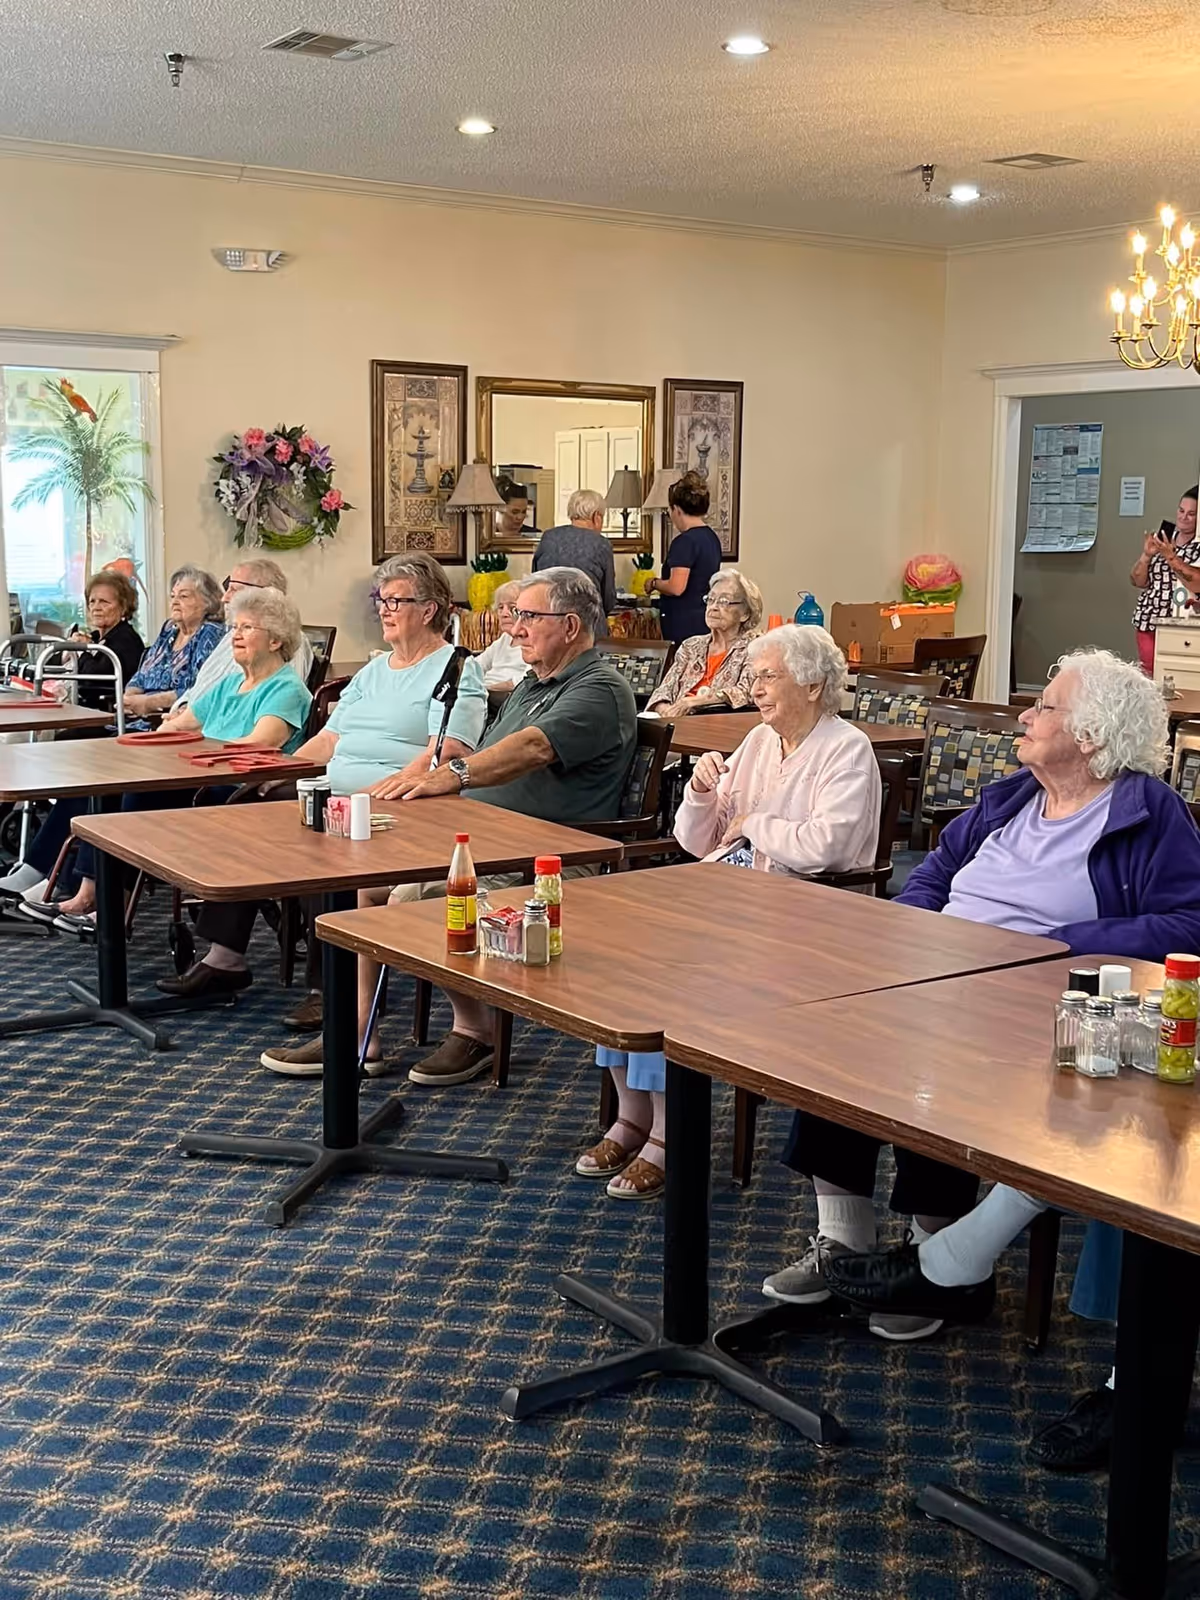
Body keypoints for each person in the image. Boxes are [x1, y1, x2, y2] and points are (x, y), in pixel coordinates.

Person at [764, 647, 1200, 1349]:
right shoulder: (1014, 795)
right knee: (836, 1035)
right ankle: (841, 1240)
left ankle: (943, 1263)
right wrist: (915, 931)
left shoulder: (1150, 812)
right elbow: (935, 869)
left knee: (942, 1061)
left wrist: (1065, 942)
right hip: (944, 970)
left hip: (1042, 997)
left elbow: (1190, 923)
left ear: (1090, 735)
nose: (1024, 716)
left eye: (1045, 706)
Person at [580, 624, 881, 1200]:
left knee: (667, 975)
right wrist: (699, 791)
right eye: (754, 676)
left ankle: (666, 1136)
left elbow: (830, 848)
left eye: (770, 676)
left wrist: (754, 825)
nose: (756, 688)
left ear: (814, 685)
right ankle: (631, 1115)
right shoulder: (761, 741)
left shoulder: (846, 749)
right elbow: (697, 841)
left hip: (804, 921)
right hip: (728, 901)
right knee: (617, 960)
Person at [373, 567, 637, 1087]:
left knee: (413, 901)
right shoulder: (532, 683)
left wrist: (450, 776)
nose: (514, 628)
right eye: (515, 615)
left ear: (570, 626)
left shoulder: (600, 688)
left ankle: (477, 1030)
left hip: (553, 860)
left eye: (528, 616)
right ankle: (357, 1024)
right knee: (367, 879)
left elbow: (533, 748)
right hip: (487, 837)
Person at [256, 554, 487, 1072]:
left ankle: (351, 1022)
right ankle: (327, 1003)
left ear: (429, 610)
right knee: (256, 812)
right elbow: (328, 739)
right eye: (380, 600)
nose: (384, 610)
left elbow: (446, 750)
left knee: (341, 867)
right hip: (338, 795)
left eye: (396, 600)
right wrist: (276, 770)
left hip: (402, 806)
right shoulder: (372, 669)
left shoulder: (456, 668)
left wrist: (389, 788)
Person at [51, 589, 312, 943]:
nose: (234, 634)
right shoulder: (231, 682)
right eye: (235, 626)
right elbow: (183, 723)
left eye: (247, 627)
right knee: (111, 789)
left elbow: (260, 743)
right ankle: (89, 895)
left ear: (276, 639)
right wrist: (157, 742)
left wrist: (193, 754)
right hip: (198, 773)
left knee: (138, 800)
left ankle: (114, 908)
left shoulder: (287, 689)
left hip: (234, 788)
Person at [0, 569, 146, 912]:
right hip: (95, 724)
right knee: (65, 773)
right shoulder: (99, 639)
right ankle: (38, 869)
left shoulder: (123, 642)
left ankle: (46, 873)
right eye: (92, 600)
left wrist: (80, 654)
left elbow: (99, 685)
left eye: (104, 601)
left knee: (68, 759)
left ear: (123, 606)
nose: (96, 607)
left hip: (111, 726)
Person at [174, 559, 314, 715]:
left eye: (234, 589)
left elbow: (282, 701)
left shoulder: (283, 639)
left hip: (221, 734)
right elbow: (199, 688)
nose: (224, 598)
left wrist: (195, 722)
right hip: (193, 725)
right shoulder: (230, 637)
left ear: (266, 593)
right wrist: (182, 708)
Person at [645, 568, 762, 717]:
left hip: (718, 727)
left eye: (724, 601)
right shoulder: (691, 646)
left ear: (745, 613)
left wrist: (693, 702)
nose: (713, 607)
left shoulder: (754, 647)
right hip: (676, 723)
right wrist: (666, 711)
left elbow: (747, 692)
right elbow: (664, 690)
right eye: (710, 599)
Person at [121, 565, 225, 728]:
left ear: (208, 603)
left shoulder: (210, 633)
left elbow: (196, 690)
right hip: (134, 718)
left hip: (165, 721)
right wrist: (129, 699)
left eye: (184, 596)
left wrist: (147, 703)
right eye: (172, 596)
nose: (175, 602)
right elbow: (142, 674)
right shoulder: (170, 629)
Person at [644, 471, 722, 645]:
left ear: (677, 510)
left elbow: (676, 587)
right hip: (704, 618)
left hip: (684, 623)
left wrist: (654, 583)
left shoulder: (684, 542)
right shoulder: (711, 538)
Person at [1129, 485, 1200, 674]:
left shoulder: (1197, 546)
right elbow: (1138, 581)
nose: (1184, 517)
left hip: (1180, 622)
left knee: (1177, 674)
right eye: (1181, 510)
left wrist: (1171, 557)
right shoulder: (1165, 538)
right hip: (1149, 618)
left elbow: (1196, 582)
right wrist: (1146, 556)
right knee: (1150, 674)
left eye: (1191, 514)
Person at [532, 489, 617, 631]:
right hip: (589, 625)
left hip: (550, 622)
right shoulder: (601, 543)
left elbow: (535, 579)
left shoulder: (548, 537)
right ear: (596, 516)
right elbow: (608, 599)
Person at [473, 581, 527, 691]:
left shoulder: (533, 643)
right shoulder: (504, 639)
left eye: (512, 608)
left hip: (505, 697)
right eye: (501, 607)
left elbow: (524, 681)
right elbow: (476, 666)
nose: (504, 614)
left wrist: (485, 689)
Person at [494, 475, 531, 540]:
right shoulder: (487, 535)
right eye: (515, 512)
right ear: (499, 508)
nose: (520, 517)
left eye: (523, 512)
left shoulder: (533, 534)